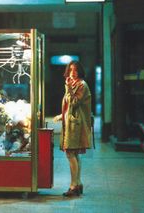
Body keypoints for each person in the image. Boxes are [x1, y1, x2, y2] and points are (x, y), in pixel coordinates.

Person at [54, 60, 92, 197]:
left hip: (76, 125)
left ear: (79, 71)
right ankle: (78, 183)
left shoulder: (81, 85)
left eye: (75, 70)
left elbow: (74, 102)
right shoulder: (74, 84)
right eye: (70, 70)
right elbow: (68, 105)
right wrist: (61, 115)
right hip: (71, 122)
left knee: (70, 153)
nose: (72, 73)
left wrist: (69, 88)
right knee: (73, 154)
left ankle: (73, 185)